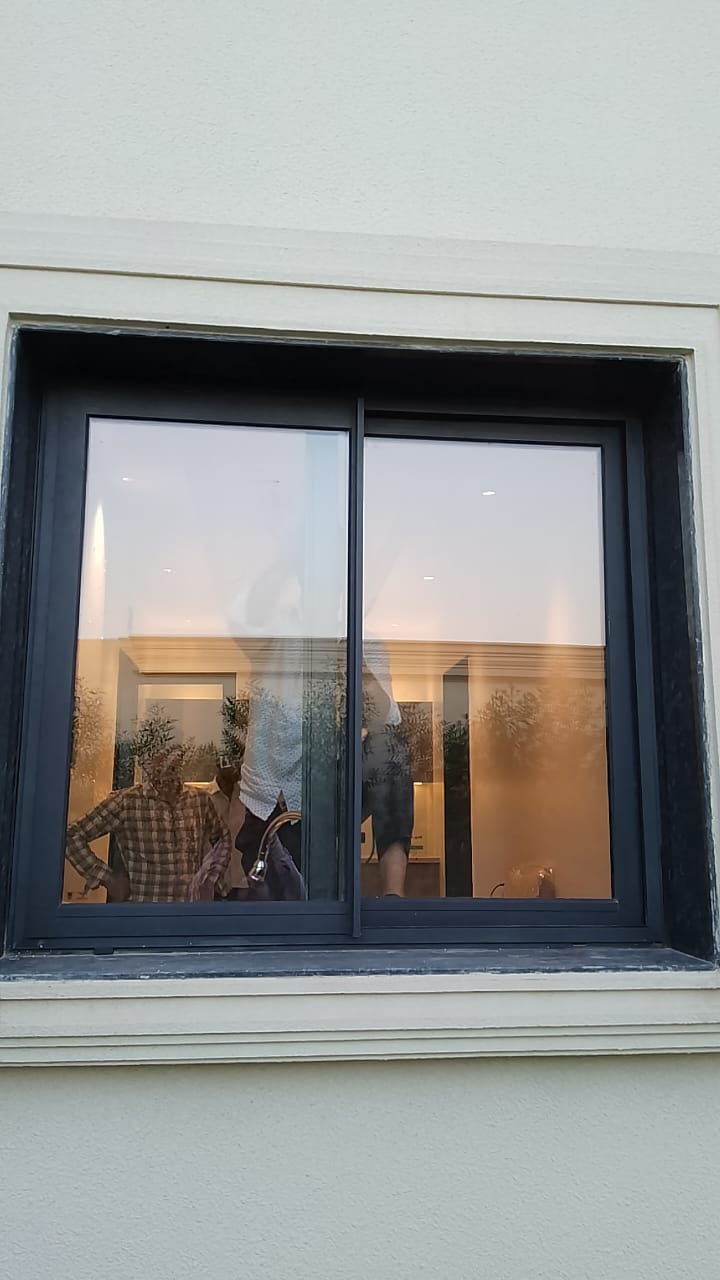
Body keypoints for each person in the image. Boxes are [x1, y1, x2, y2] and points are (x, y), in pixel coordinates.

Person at [65, 745, 232, 903]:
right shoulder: (126, 802)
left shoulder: (199, 800)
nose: (166, 768)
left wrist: (211, 879)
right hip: (145, 910)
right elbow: (71, 836)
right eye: (159, 762)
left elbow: (222, 838)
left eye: (172, 761)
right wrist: (108, 879)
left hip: (190, 909)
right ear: (146, 764)